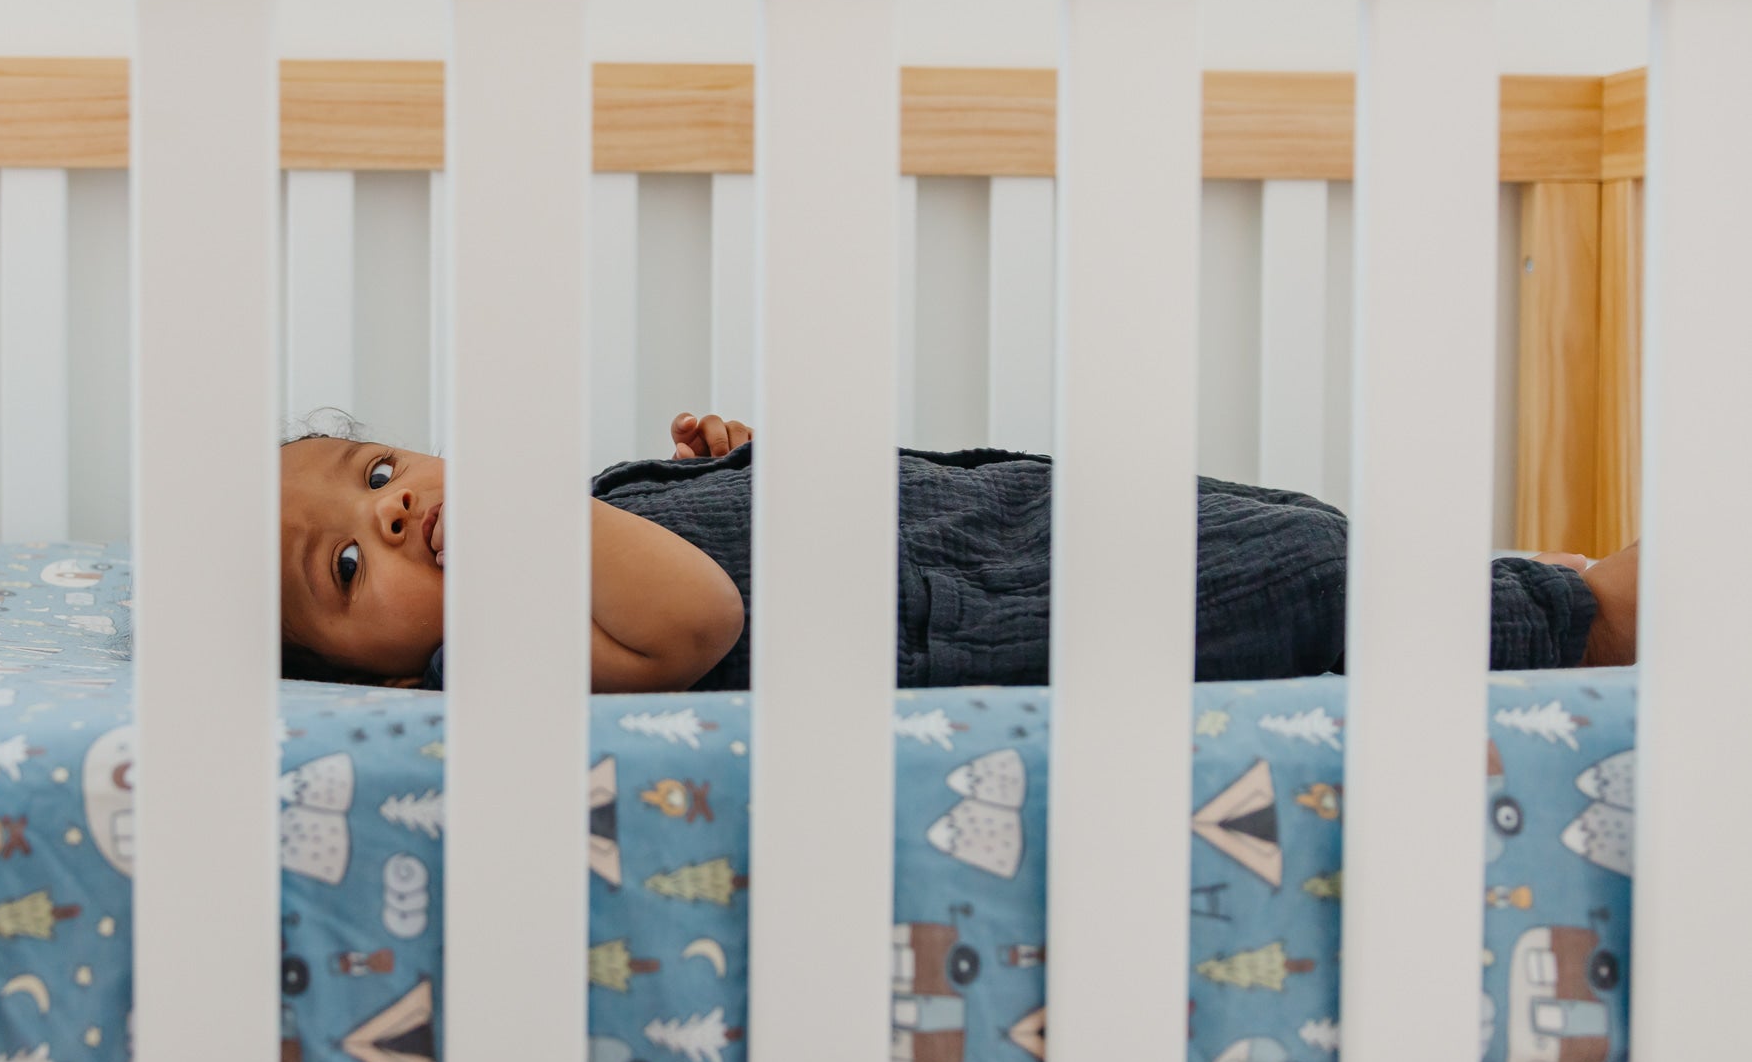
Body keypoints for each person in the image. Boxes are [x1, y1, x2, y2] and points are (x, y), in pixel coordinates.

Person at [278, 410, 1639, 694]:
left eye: (377, 472)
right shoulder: (489, 661)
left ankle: (1566, 585)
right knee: (1323, 593)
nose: (386, 516)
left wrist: (727, 467)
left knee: (1298, 534)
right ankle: (1604, 615)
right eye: (343, 570)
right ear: (371, 677)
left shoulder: (557, 516)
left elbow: (695, 542)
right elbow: (695, 617)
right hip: (1019, 611)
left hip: (998, 518)